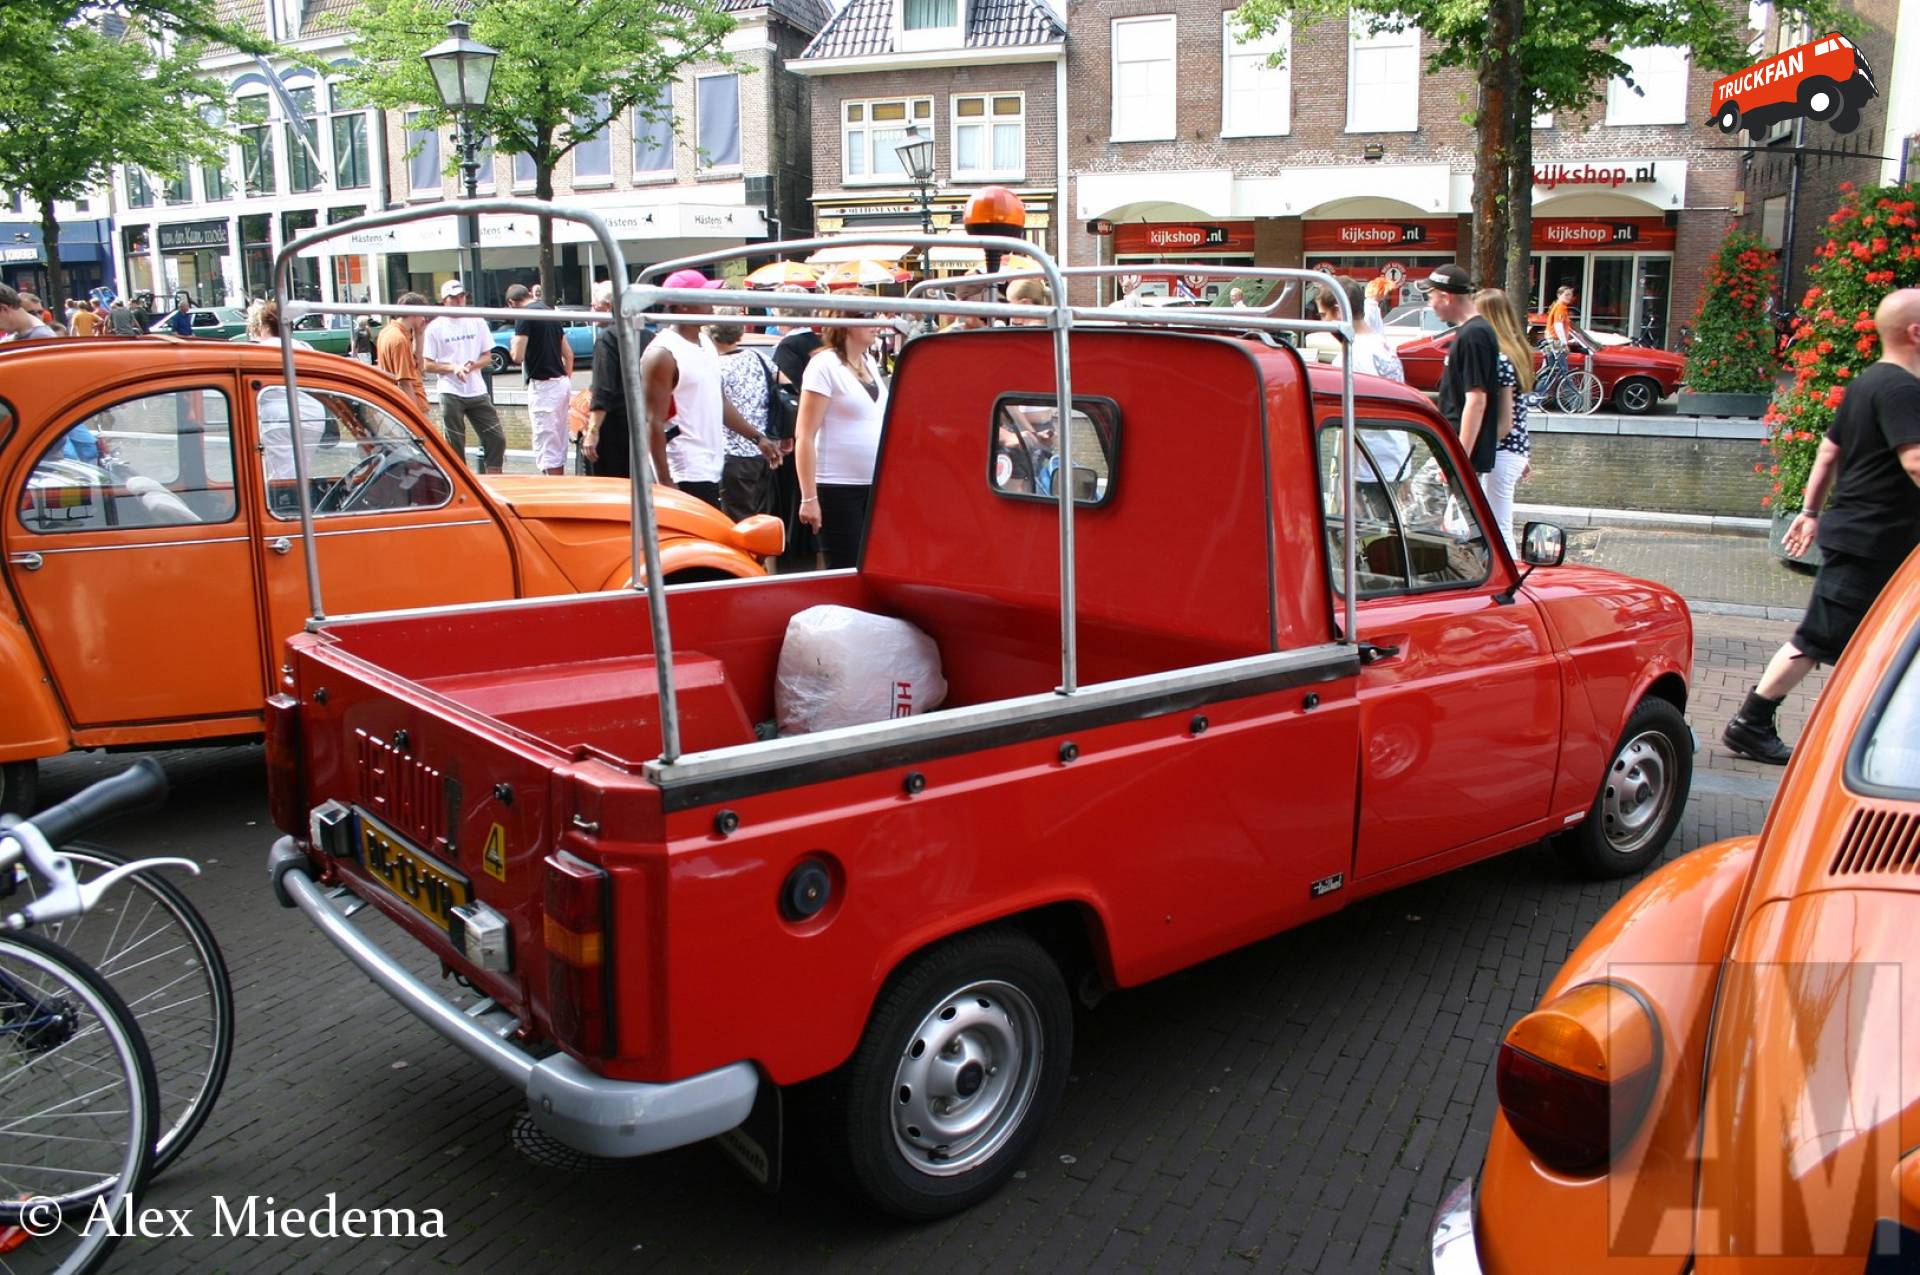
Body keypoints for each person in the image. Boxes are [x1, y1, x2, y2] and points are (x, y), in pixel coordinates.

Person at [1723, 288, 1920, 764]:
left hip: (1868, 537)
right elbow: (1915, 460)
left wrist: (1810, 513)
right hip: (1873, 541)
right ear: (1916, 333)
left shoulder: (1868, 383)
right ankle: (1752, 722)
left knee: (1872, 642)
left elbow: (1828, 451)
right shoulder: (1901, 390)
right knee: (1816, 640)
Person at [638, 270, 775, 510]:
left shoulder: (706, 344)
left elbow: (719, 401)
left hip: (713, 465)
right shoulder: (663, 353)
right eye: (704, 295)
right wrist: (665, 480)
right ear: (682, 307)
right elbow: (652, 422)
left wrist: (757, 437)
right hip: (685, 472)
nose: (712, 300)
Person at [795, 299, 888, 569]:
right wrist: (809, 497)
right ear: (846, 323)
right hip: (837, 486)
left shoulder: (869, 360)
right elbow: (804, 435)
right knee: (846, 567)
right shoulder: (824, 365)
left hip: (874, 484)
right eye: (869, 315)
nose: (878, 322)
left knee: (873, 564)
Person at [1417, 264, 1501, 481]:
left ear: (1446, 297)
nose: (1430, 304)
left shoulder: (1473, 335)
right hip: (1455, 447)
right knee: (1440, 511)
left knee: (1418, 508)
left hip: (1459, 451)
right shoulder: (1473, 331)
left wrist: (1458, 459)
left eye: (1431, 296)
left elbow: (1476, 400)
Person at [1472, 288, 1535, 555]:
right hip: (1513, 450)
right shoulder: (1518, 353)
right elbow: (1519, 413)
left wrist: (1475, 451)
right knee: (1497, 526)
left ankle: (1507, 584)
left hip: (1501, 453)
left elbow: (1504, 422)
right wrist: (1522, 453)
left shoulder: (1500, 359)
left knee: (1498, 529)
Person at [421, 279, 505, 472]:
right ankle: (461, 480)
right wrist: (453, 367)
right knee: (454, 441)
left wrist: (473, 365)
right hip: (450, 390)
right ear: (444, 300)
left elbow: (488, 356)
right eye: (454, 297)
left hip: (476, 389)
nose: (459, 300)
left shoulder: (477, 320)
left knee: (496, 437)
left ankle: (494, 477)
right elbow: (428, 365)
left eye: (462, 296)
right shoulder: (435, 328)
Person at [711, 318, 785, 519]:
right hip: (766, 451)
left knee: (738, 520)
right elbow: (787, 386)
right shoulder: (757, 356)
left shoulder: (714, 367)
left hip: (733, 453)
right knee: (761, 518)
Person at [584, 278, 656, 479]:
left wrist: (592, 430)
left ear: (609, 307)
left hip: (615, 427)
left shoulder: (608, 338)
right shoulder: (647, 336)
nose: (591, 311)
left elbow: (603, 388)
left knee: (612, 486)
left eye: (595, 306)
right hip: (642, 423)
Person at [508, 282, 574, 476]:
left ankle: (552, 488)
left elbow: (517, 356)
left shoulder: (524, 316)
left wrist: (514, 344)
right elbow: (569, 354)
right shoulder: (549, 312)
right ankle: (558, 482)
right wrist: (566, 378)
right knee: (559, 439)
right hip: (561, 382)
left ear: (512, 303)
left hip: (543, 385)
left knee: (545, 440)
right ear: (529, 294)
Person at [1313, 277, 1403, 382]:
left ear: (1338, 311)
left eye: (1323, 315)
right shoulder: (1383, 345)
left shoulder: (1349, 358)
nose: (1323, 322)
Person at [376, 292, 432, 414]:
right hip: (411, 405)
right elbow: (404, 382)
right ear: (415, 313)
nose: (424, 318)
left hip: (398, 404)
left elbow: (418, 366)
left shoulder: (387, 332)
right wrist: (416, 417)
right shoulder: (399, 339)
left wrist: (419, 334)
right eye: (423, 314)